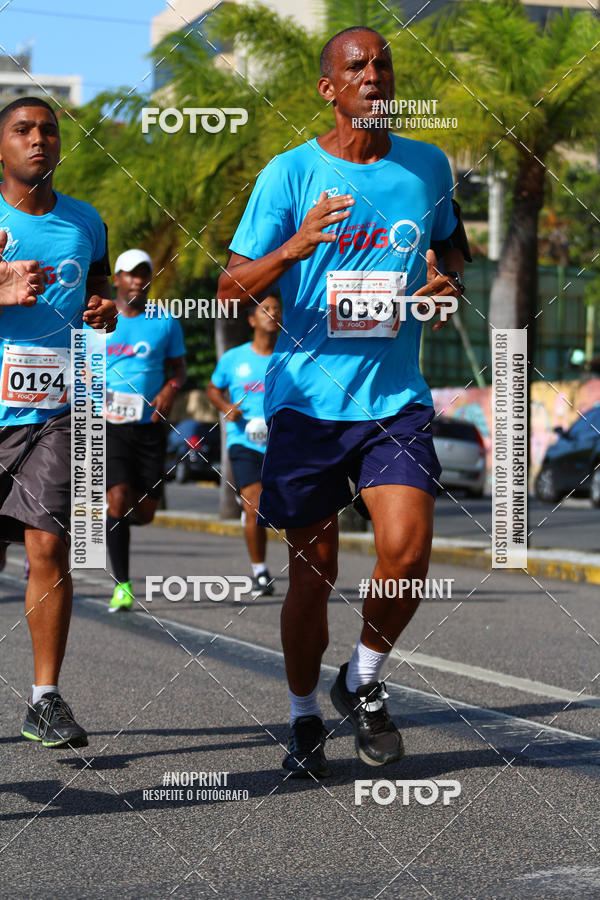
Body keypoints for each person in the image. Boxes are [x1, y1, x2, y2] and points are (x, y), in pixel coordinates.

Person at [217, 27, 471, 777]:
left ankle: (362, 675)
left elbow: (452, 245)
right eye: (356, 66)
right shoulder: (289, 174)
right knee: (313, 573)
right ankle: (301, 716)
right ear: (329, 89)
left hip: (395, 400)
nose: (374, 73)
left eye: (383, 63)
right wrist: (293, 248)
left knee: (409, 548)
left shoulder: (427, 168)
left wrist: (443, 277)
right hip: (305, 406)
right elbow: (230, 289)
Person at [0, 97, 116, 748]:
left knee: (47, 546)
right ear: (1, 147)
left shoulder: (85, 222)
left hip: (56, 409)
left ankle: (45, 698)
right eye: (22, 130)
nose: (38, 140)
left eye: (48, 130)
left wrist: (103, 312)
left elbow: (99, 298)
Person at [100, 249, 187, 612]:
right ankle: (122, 584)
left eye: (144, 274)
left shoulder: (164, 321)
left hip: (149, 427)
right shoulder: (98, 316)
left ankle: (109, 524)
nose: (138, 280)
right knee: (118, 497)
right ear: (117, 278)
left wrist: (170, 389)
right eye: (130, 274)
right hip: (110, 425)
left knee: (146, 510)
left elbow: (179, 370)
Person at [207, 294, 282, 595]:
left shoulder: (290, 357)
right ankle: (260, 571)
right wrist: (226, 406)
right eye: (265, 309)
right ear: (252, 319)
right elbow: (213, 389)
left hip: (282, 443)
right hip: (244, 441)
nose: (272, 314)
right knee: (255, 505)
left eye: (276, 309)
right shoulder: (234, 358)